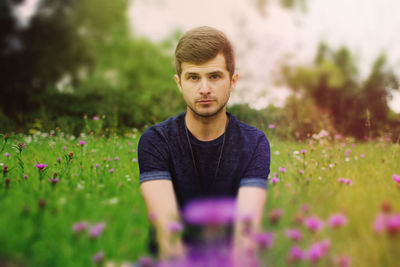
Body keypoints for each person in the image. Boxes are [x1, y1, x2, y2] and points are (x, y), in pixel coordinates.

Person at [138, 26, 270, 261]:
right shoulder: (156, 140)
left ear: (233, 80)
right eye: (193, 77)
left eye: (215, 76)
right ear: (179, 83)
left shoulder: (254, 143)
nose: (204, 89)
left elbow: (245, 243)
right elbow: (170, 241)